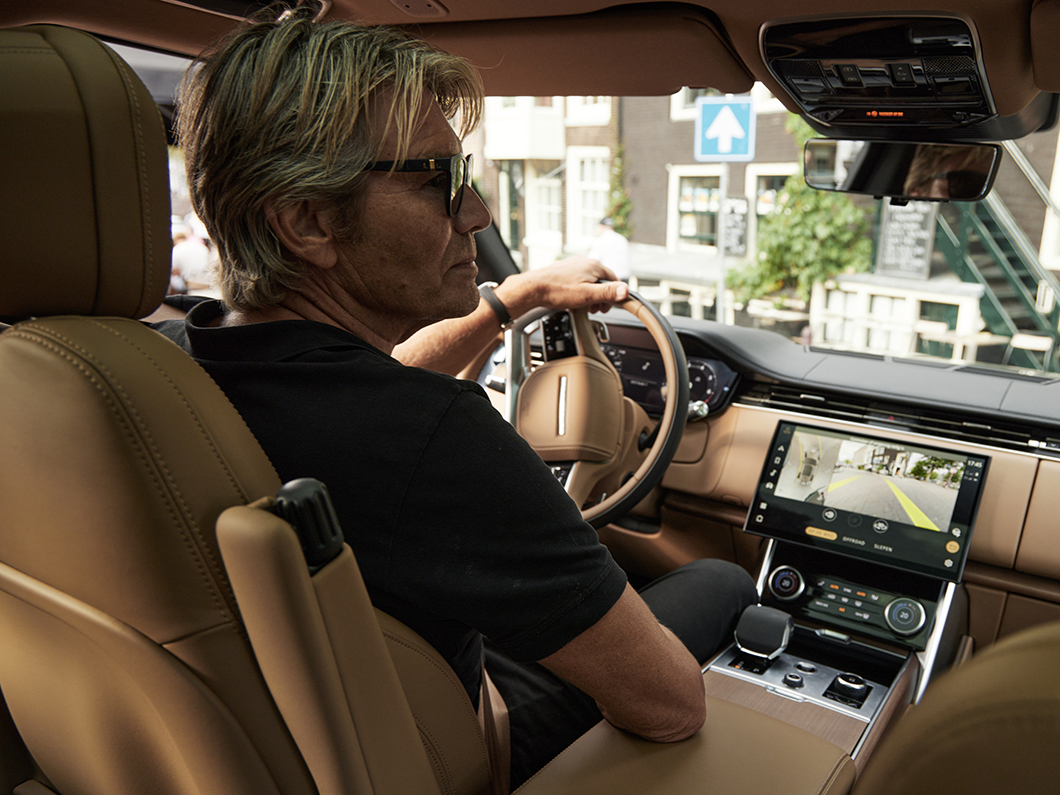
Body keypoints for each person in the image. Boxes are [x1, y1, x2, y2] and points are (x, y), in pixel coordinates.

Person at [165, 8, 756, 788]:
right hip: (454, 742)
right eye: (438, 180)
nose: (476, 212)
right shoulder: (435, 436)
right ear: (307, 221)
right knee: (722, 581)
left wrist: (511, 301)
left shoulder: (172, 362)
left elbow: (377, 383)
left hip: (290, 737)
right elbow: (670, 703)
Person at [587, 216, 631, 281]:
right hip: (624, 279)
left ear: (600, 226)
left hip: (610, 279)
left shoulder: (601, 240)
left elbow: (592, 261)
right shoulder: (622, 239)